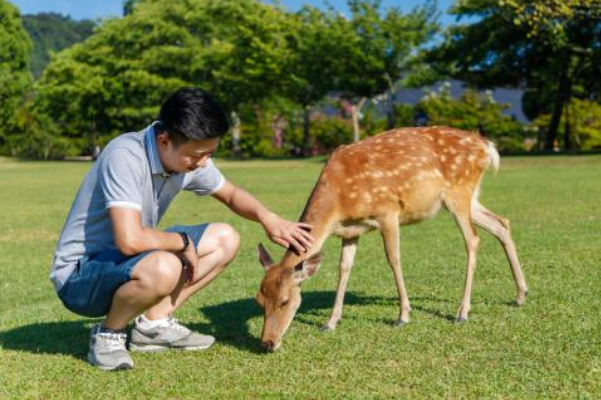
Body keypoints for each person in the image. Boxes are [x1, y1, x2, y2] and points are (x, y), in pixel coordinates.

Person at [50, 87, 314, 371]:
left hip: (124, 261)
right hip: (79, 278)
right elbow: (129, 240)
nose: (203, 163)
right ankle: (108, 336)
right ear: (164, 141)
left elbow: (231, 194)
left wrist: (267, 217)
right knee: (165, 265)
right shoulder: (125, 155)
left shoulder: (187, 158)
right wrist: (183, 242)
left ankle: (153, 326)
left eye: (210, 153)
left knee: (226, 239)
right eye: (198, 156)